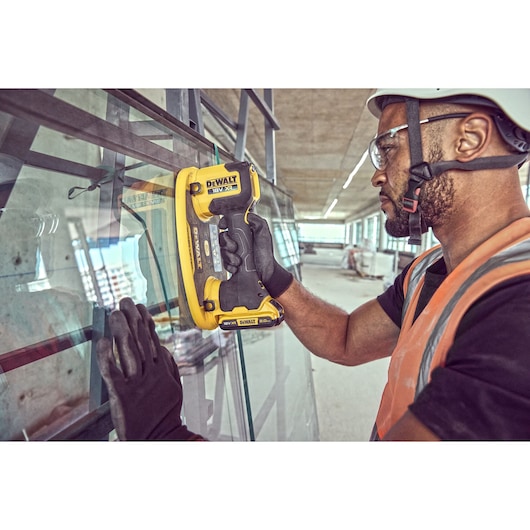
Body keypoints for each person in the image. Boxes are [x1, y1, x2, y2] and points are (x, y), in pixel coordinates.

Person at [98, 89, 530, 441]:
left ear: (469, 139)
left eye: (388, 149)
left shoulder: (519, 307)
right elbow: (345, 339)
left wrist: (163, 439)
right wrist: (274, 277)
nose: (377, 175)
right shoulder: (430, 269)